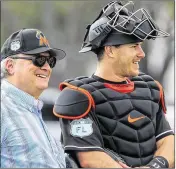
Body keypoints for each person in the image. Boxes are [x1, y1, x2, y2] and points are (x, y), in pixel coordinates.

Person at [53, 1, 174, 168]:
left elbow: (168, 140)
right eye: (134, 46)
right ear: (110, 50)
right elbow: (89, 158)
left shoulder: (149, 88)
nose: (142, 54)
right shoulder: (78, 95)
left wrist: (154, 166)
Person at [1, 28, 66, 168]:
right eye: (39, 59)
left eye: (51, 61)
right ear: (10, 66)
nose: (47, 67)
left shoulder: (31, 109)